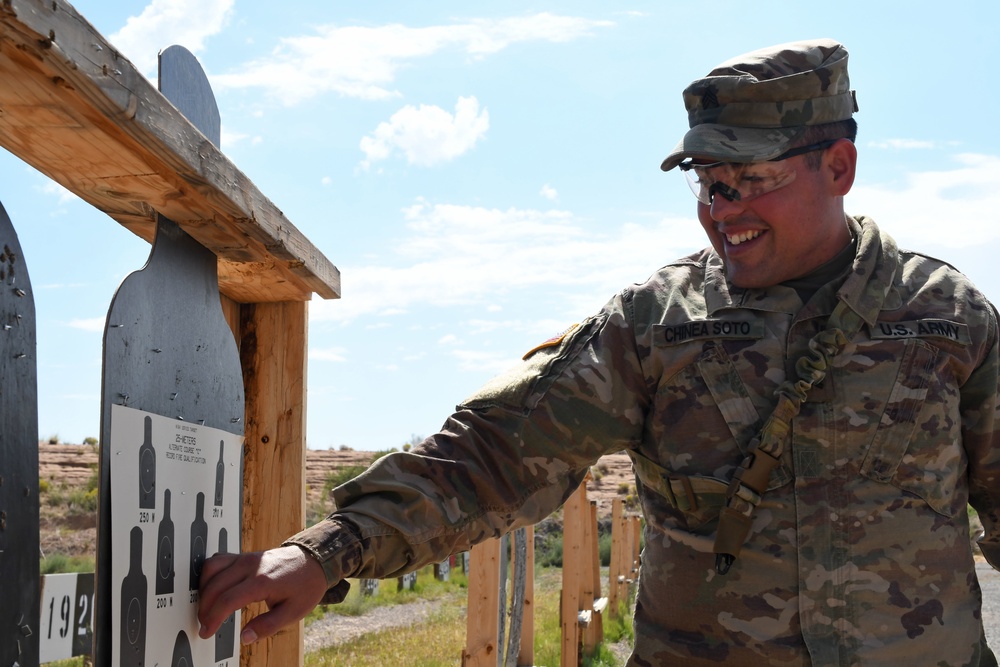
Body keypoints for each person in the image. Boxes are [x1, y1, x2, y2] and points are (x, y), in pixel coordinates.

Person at [198, 38, 1000, 665]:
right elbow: (496, 452)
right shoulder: (656, 323)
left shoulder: (948, 318)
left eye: (748, 179)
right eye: (707, 183)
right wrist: (325, 551)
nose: (722, 211)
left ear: (839, 166)